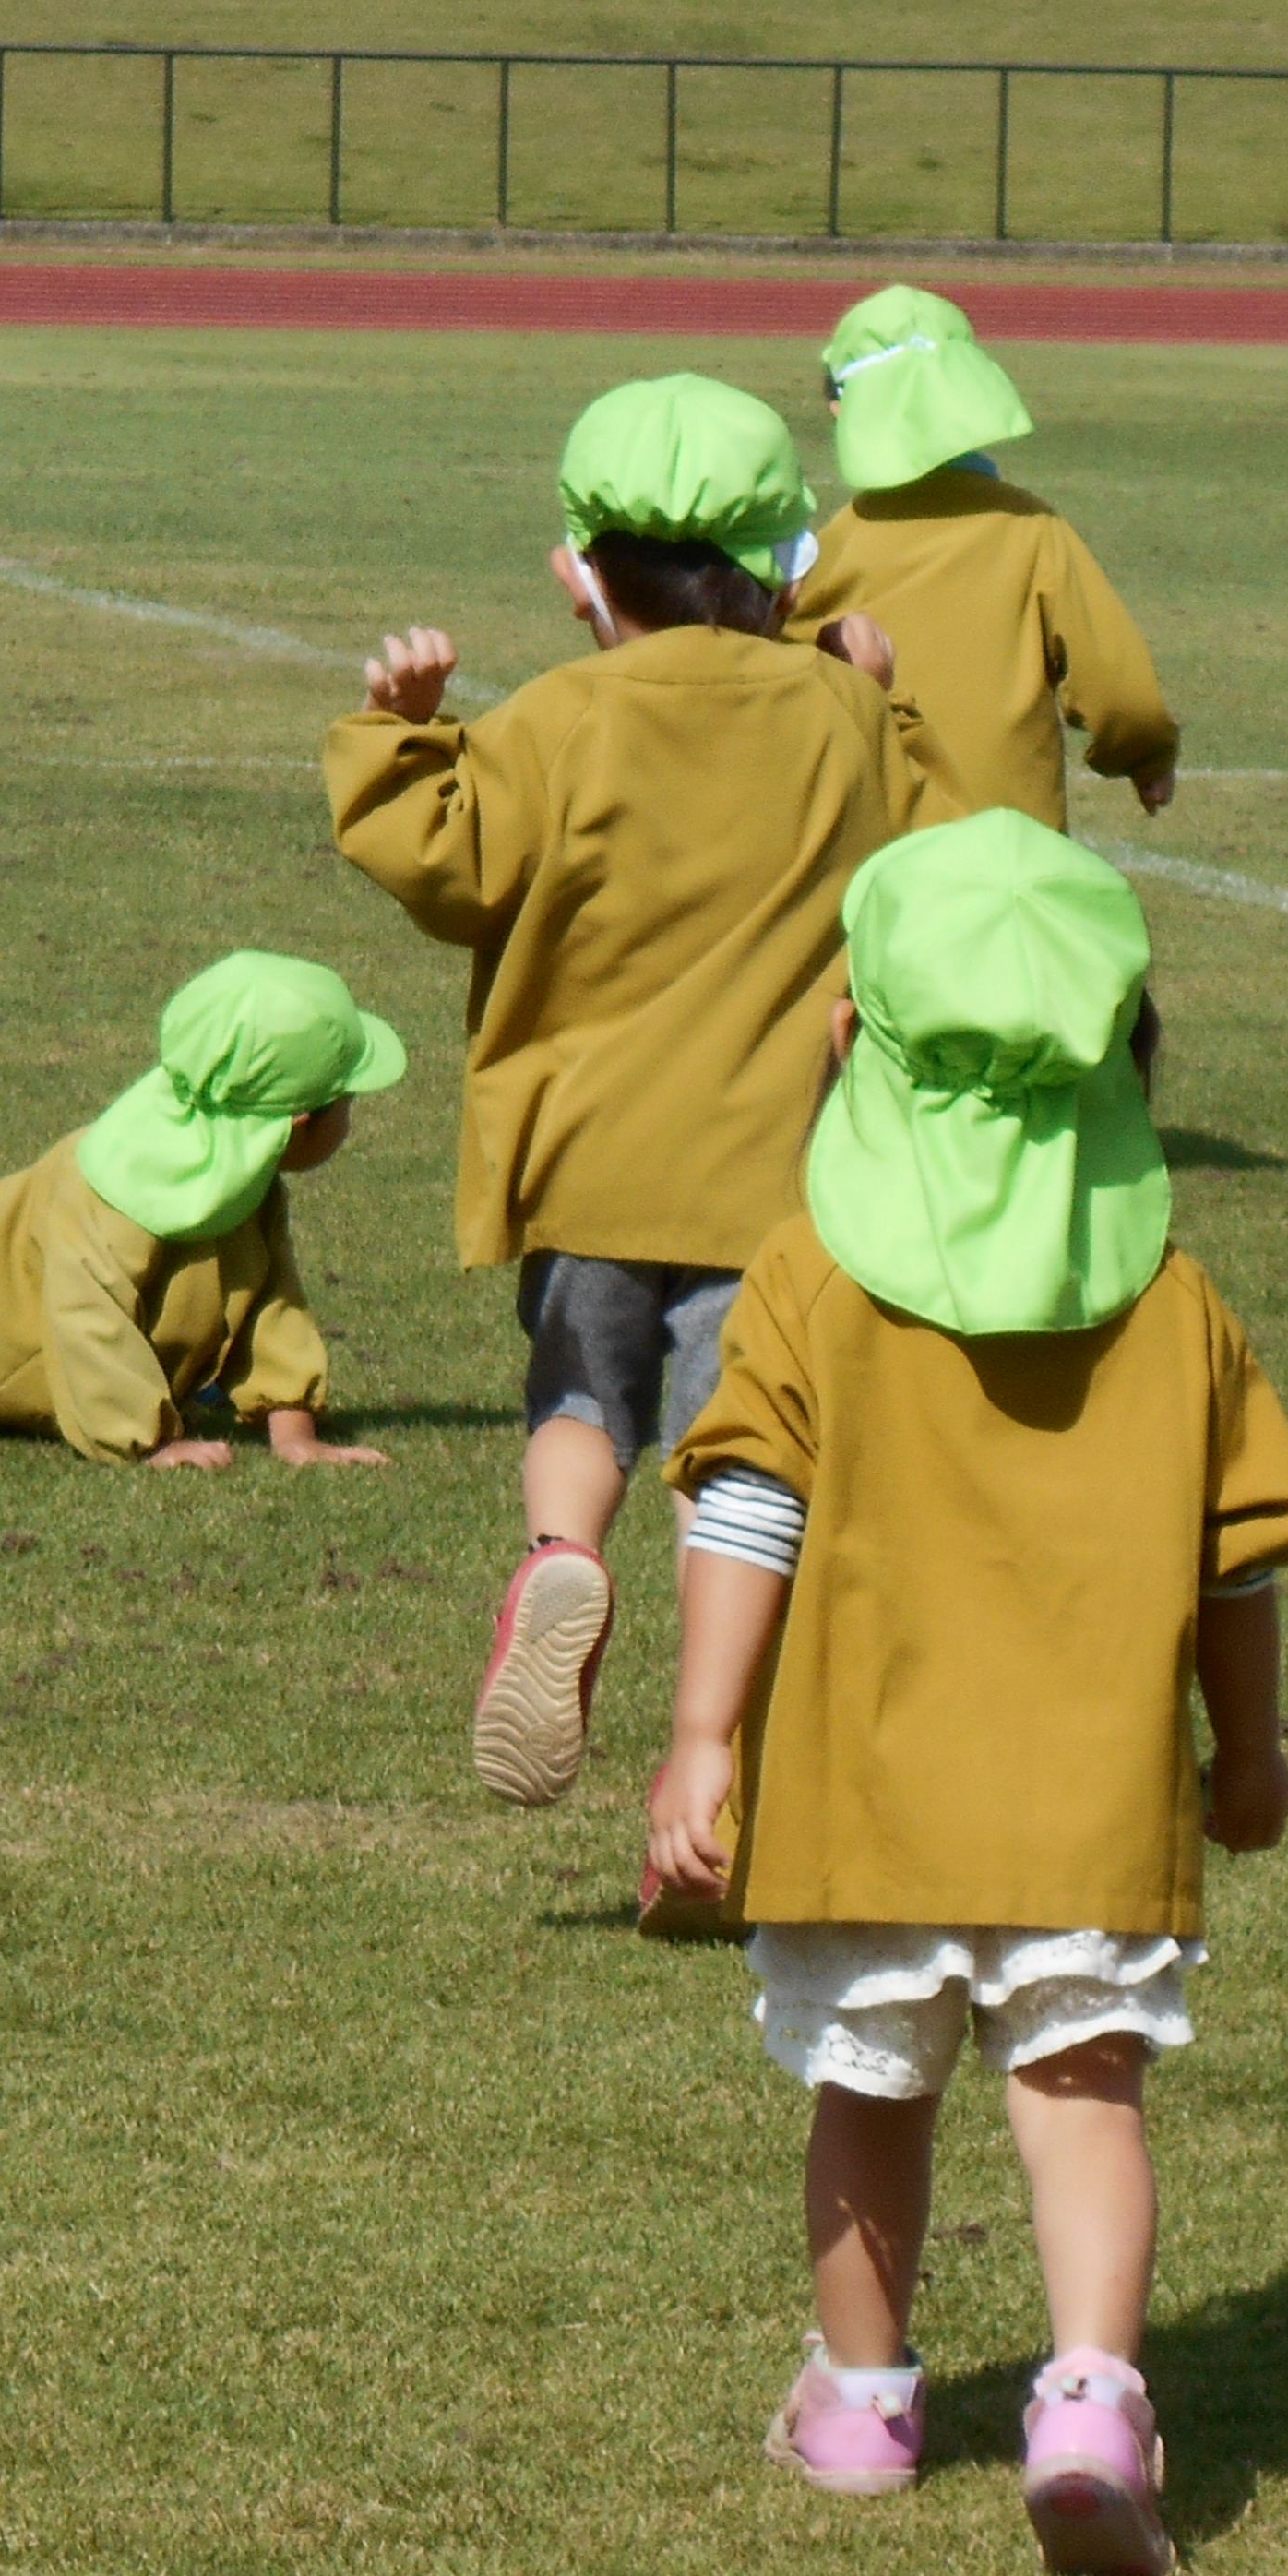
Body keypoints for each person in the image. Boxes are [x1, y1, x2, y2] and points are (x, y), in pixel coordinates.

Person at [639, 810, 1288, 2576]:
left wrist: (703, 1734)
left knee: (870, 2089)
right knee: (1082, 2086)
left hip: (865, 1794)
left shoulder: (806, 1280)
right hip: (1092, 1802)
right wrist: (1247, 1753)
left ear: (850, 1036)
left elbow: (746, 1509)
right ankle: (1089, 2398)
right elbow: (1237, 1564)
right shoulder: (1175, 1303)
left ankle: (863, 2400)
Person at [328, 372, 967, 1807]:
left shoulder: (557, 718)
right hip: (775, 1174)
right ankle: (710, 1744)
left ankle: (560, 1557)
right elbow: (931, 865)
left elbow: (448, 869)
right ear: (785, 569)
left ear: (579, 574)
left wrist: (399, 733)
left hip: (588, 1158)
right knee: (737, 1455)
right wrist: (888, 701)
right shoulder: (844, 718)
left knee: (579, 1397)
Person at [0, 950, 403, 1468]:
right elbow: (88, 1321)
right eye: (348, 1102)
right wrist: (148, 1441)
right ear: (300, 1124)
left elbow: (268, 1301)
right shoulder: (105, 1190)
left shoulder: (249, 1176)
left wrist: (295, 1435)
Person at [789, 286, 1179, 831]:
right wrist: (1144, 756)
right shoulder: (1033, 530)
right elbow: (1121, 693)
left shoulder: (829, 555)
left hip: (884, 852)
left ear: (840, 409)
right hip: (1017, 850)